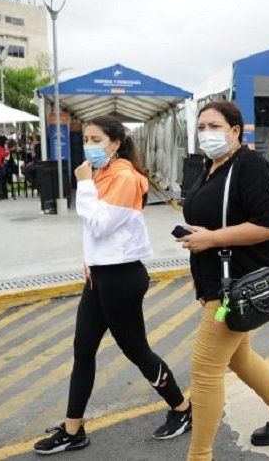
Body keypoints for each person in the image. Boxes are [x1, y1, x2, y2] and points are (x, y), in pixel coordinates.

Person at [34, 115, 191, 455]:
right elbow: (93, 232)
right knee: (83, 348)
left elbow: (100, 225)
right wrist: (89, 262)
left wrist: (84, 185)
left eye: (96, 140)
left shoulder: (124, 177)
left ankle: (181, 408)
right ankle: (73, 430)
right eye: (86, 140)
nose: (88, 146)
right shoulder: (101, 174)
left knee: (136, 350)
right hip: (99, 276)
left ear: (116, 144)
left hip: (122, 277)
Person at [181, 100, 269, 461]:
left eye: (214, 126)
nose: (206, 133)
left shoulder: (248, 164)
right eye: (201, 127)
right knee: (240, 358)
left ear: (235, 131)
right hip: (215, 283)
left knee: (205, 371)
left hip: (236, 285)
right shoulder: (209, 167)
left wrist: (212, 239)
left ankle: (199, 457)